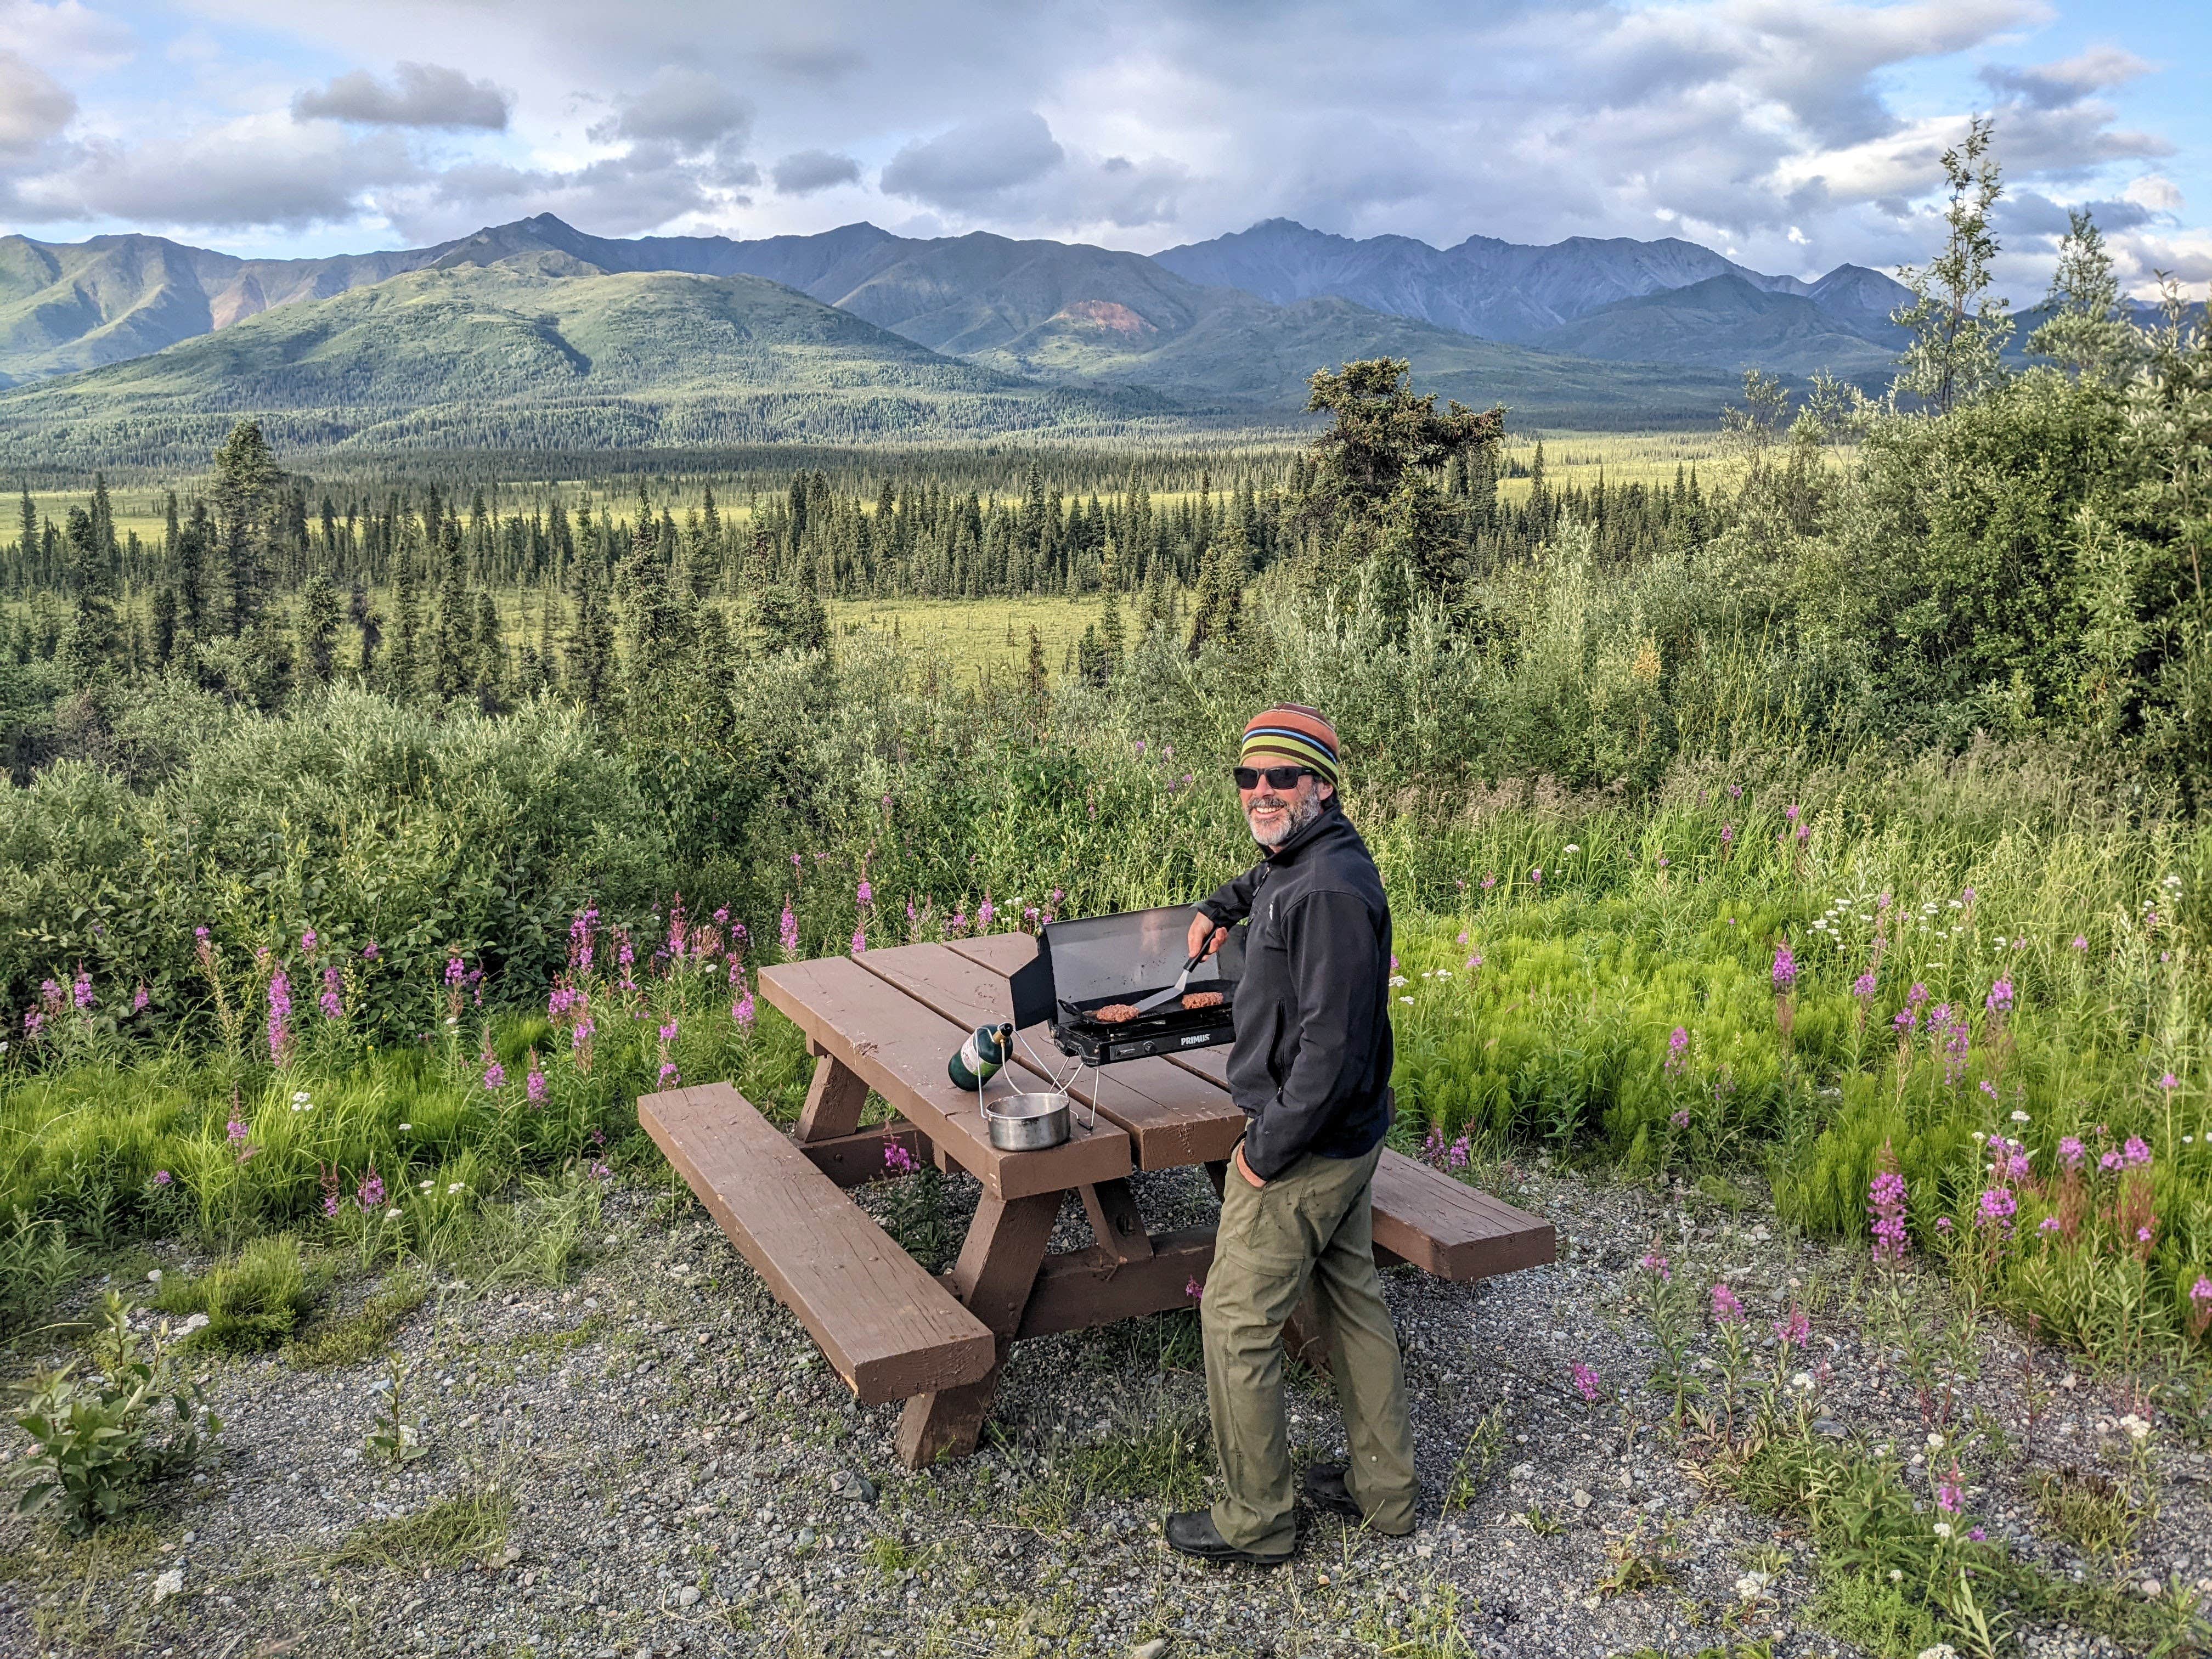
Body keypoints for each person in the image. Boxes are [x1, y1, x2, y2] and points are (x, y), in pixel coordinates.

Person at [1164, 703, 1417, 1566]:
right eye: (1249, 777)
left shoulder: (1331, 893)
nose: (1262, 792)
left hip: (1306, 1146)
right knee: (1350, 1301)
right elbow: (1271, 874)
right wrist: (1221, 904)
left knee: (1235, 1321)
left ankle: (1258, 1522)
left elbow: (1332, 1053)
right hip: (1346, 1139)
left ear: (1323, 787)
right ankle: (1385, 1495)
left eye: (1284, 777)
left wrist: (1260, 1154)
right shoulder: (1309, 858)